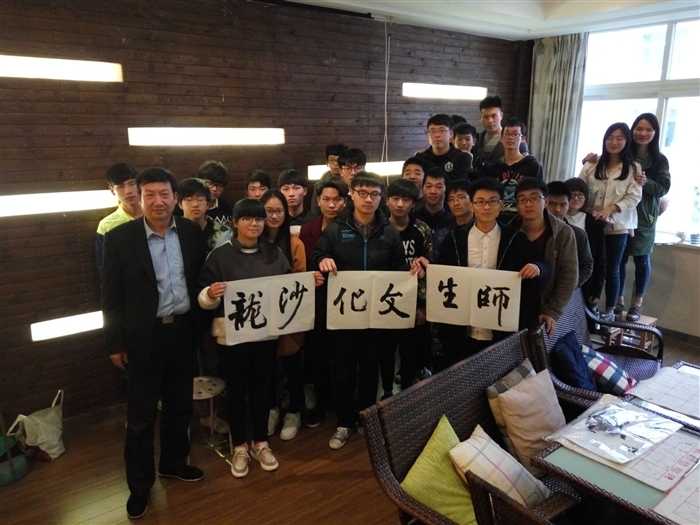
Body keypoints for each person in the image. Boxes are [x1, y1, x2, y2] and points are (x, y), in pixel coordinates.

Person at [102, 167, 207, 519]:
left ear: (175, 198)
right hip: (143, 338)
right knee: (142, 417)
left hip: (183, 332)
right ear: (139, 197)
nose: (158, 201)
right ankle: (139, 486)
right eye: (150, 194)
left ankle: (174, 463)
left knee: (179, 406)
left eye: (164, 194)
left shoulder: (190, 232)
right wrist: (115, 343)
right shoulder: (120, 238)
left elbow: (199, 281)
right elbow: (110, 297)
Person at [313, 172, 425, 450]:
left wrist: (412, 271)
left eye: (374, 194)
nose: (368, 199)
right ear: (351, 194)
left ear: (381, 198)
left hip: (376, 315)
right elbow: (318, 256)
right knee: (343, 368)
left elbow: (399, 269)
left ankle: (365, 416)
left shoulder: (389, 232)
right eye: (362, 193)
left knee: (370, 367)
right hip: (343, 314)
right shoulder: (335, 230)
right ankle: (344, 421)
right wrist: (323, 259)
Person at [198, 199, 299, 479]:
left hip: (266, 335)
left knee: (262, 389)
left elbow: (288, 287)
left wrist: (307, 284)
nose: (254, 224)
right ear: (235, 222)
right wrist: (210, 294)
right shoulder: (219, 256)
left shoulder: (274, 253)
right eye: (247, 218)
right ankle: (240, 445)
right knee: (236, 391)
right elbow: (202, 295)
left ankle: (260, 442)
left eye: (259, 219)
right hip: (231, 338)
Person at [437, 178, 548, 368]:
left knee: (498, 374)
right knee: (463, 372)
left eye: (493, 201)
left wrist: (537, 267)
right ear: (472, 205)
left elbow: (543, 265)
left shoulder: (514, 237)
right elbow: (441, 270)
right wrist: (425, 266)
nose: (486, 207)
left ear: (501, 205)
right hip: (463, 325)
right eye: (480, 202)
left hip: (500, 325)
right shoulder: (456, 238)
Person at [578, 123, 642, 323]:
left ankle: (610, 310)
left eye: (619, 138)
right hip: (591, 224)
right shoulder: (592, 163)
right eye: (610, 137)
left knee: (612, 268)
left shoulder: (634, 168)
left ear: (627, 141)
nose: (614, 142)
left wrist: (610, 209)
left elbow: (634, 197)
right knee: (591, 265)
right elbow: (579, 189)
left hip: (617, 225)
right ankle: (589, 305)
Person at [299, 178, 349, 428]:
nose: (331, 205)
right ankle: (322, 401)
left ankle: (344, 404)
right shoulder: (307, 229)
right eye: (326, 199)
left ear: (345, 201)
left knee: (343, 356)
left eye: (337, 199)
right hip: (316, 300)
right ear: (317, 201)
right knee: (317, 353)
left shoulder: (351, 228)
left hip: (345, 300)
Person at [260, 189, 307, 441]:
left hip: (289, 316)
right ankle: (271, 408)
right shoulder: (251, 242)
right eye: (269, 211)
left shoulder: (294, 243)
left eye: (279, 211)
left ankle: (294, 411)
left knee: (292, 365)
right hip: (261, 318)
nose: (274, 216)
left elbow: (299, 280)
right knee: (267, 367)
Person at [382, 179, 433, 395]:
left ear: (413, 203)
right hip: (383, 301)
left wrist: (422, 305)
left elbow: (429, 269)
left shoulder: (421, 229)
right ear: (387, 200)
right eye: (395, 198)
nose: (400, 204)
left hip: (412, 302)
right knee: (385, 352)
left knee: (410, 351)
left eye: (406, 199)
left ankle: (407, 395)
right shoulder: (379, 228)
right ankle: (386, 393)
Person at [619, 113, 671, 320]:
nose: (643, 133)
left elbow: (663, 188)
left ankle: (637, 303)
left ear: (655, 133)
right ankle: (618, 300)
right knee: (619, 259)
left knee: (641, 259)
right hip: (621, 213)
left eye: (648, 129)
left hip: (644, 217)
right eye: (639, 128)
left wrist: (645, 182)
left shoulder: (659, 160)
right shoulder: (624, 152)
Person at [512, 178, 579, 336]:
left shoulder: (563, 233)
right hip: (515, 307)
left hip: (546, 304)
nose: (528, 204)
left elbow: (569, 276)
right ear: (517, 205)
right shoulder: (510, 229)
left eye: (535, 198)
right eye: (522, 200)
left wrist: (552, 311)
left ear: (546, 202)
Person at [485, 118, 544, 224]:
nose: (510, 137)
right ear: (501, 138)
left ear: (523, 139)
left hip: (523, 220)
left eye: (515, 134)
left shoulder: (533, 166)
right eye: (507, 134)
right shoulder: (493, 168)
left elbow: (539, 196)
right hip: (497, 220)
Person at [564, 177, 607, 313]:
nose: (576, 198)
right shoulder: (556, 219)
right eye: (572, 194)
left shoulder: (594, 223)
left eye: (580, 195)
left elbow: (600, 258)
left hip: (585, 279)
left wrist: (597, 289)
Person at [95, 163, 142, 278]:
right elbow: (104, 267)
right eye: (120, 186)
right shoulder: (106, 225)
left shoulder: (155, 216)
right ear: (112, 190)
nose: (128, 191)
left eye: (132, 184)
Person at [546, 181, 594, 289]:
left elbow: (587, 266)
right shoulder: (533, 231)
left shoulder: (578, 234)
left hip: (567, 291)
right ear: (544, 203)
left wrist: (569, 286)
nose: (557, 209)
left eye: (563, 205)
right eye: (552, 204)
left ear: (568, 205)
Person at [473, 95, 529, 168]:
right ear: (481, 118)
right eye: (485, 117)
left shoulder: (516, 139)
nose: (490, 121)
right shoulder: (476, 140)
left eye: (494, 116)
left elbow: (526, 164)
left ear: (501, 116)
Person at [178, 178, 230, 254]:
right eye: (189, 200)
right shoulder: (173, 232)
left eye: (200, 199)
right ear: (180, 204)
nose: (195, 204)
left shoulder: (223, 233)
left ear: (207, 204)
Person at [416, 113, 471, 181]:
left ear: (451, 134)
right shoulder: (420, 158)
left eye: (442, 131)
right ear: (427, 135)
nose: (437, 135)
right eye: (433, 131)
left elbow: (457, 184)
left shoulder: (462, 157)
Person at [414, 167, 454, 259]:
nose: (433, 191)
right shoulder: (413, 220)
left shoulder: (453, 221)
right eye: (428, 186)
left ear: (446, 191)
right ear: (422, 190)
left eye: (439, 187)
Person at [310, 143, 349, 215]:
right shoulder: (320, 185)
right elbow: (315, 211)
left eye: (338, 160)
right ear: (327, 162)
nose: (335, 164)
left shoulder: (350, 182)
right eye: (332, 160)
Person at [199, 160, 232, 227]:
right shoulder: (194, 207)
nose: (214, 189)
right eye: (210, 183)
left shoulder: (226, 206)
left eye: (219, 185)